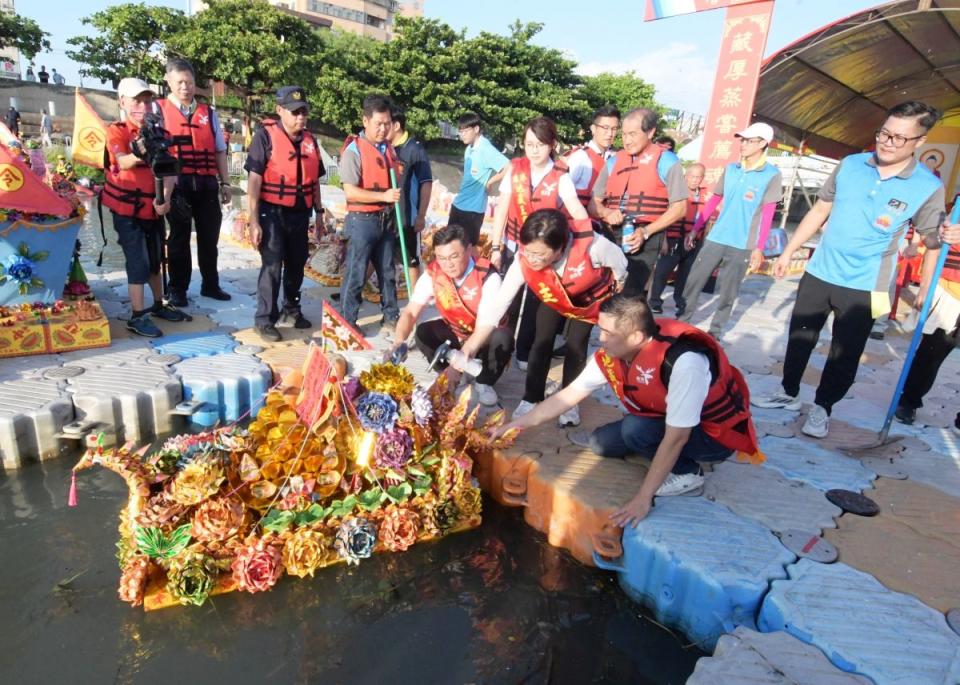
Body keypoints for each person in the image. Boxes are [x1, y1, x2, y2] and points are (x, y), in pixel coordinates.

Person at [753, 101, 947, 438]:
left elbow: (931, 240)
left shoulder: (927, 186)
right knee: (800, 336)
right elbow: (820, 210)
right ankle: (788, 392)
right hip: (820, 270)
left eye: (900, 138)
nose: (888, 142)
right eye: (885, 133)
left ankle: (823, 407)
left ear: (919, 142)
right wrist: (789, 250)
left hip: (867, 285)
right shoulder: (851, 164)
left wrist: (943, 241)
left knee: (845, 351)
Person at [491, 294, 759, 526]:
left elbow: (677, 436)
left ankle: (688, 472)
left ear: (636, 336)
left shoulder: (683, 362)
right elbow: (568, 396)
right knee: (600, 444)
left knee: (636, 430)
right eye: (600, 330)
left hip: (711, 435)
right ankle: (645, 442)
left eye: (608, 333)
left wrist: (643, 498)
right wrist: (513, 426)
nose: (601, 339)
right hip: (663, 418)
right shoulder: (614, 353)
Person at [463, 208, 627, 427]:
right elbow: (500, 303)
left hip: (587, 301)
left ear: (559, 250)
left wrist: (619, 282)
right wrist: (471, 346)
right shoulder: (525, 260)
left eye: (539, 255)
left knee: (576, 346)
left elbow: (620, 264)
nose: (531, 259)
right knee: (541, 341)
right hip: (554, 294)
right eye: (527, 251)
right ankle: (531, 397)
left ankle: (569, 404)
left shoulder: (594, 246)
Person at [489, 116, 590, 370]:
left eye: (540, 144)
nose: (534, 150)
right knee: (507, 302)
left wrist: (588, 243)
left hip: (540, 255)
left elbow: (577, 211)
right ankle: (500, 350)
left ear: (552, 145)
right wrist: (494, 246)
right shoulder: (515, 168)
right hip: (513, 245)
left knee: (535, 304)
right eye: (529, 144)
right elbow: (501, 209)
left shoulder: (561, 177)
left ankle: (523, 352)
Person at [387, 223, 513, 406]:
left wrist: (461, 360)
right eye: (442, 258)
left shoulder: (488, 276)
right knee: (423, 332)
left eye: (454, 256)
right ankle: (451, 374)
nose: (448, 264)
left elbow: (485, 326)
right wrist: (398, 342)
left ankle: (484, 381)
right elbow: (411, 311)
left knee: (503, 338)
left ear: (469, 250)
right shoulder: (434, 273)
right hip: (457, 332)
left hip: (484, 337)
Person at [102, 78, 190, 337]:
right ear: (123, 102)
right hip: (127, 209)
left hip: (153, 207)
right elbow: (122, 161)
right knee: (137, 260)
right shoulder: (117, 131)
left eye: (147, 100)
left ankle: (158, 304)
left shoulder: (160, 133)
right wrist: (141, 149)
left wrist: (164, 200)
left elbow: (171, 171)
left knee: (156, 258)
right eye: (136, 100)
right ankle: (137, 315)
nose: (142, 105)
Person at [678, 123, 783, 337]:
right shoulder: (731, 169)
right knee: (693, 281)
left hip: (742, 244)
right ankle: (682, 321)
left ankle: (715, 331)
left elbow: (767, 213)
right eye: (742, 140)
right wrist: (695, 229)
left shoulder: (771, 175)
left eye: (749, 140)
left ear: (763, 143)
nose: (743, 144)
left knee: (728, 291)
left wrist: (759, 248)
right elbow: (715, 199)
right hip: (716, 238)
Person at [245, 86, 324, 342]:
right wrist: (253, 220)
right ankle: (265, 319)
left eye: (304, 112)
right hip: (272, 211)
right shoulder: (265, 137)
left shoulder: (311, 141)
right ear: (280, 110)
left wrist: (320, 213)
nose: (300, 117)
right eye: (294, 112)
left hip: (300, 213)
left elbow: (314, 181)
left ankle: (292, 308)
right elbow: (254, 180)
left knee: (297, 265)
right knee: (272, 265)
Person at [156, 58, 232, 306]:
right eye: (179, 82)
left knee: (209, 238)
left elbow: (220, 150)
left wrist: (225, 183)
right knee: (178, 237)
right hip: (177, 185)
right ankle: (178, 288)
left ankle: (211, 284)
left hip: (207, 183)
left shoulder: (208, 114)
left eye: (189, 82)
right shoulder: (158, 111)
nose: (185, 87)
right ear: (169, 81)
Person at [590, 108, 688, 299]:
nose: (627, 140)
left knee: (628, 295)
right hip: (612, 233)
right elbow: (593, 204)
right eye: (624, 134)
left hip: (645, 237)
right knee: (601, 293)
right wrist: (606, 213)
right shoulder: (613, 161)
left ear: (650, 132)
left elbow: (680, 208)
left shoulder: (667, 161)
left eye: (633, 134)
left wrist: (646, 232)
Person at [338, 93, 401, 333]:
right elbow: (351, 192)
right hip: (362, 221)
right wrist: (382, 196)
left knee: (387, 270)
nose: (384, 129)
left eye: (387, 123)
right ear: (365, 121)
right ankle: (348, 320)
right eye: (378, 124)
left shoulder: (388, 150)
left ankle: (391, 314)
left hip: (385, 219)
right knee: (356, 271)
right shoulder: (354, 151)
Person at [895, 222, 960, 424]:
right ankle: (909, 400)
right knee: (931, 353)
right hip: (952, 290)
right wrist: (924, 288)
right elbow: (935, 242)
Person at [648, 163, 709, 316]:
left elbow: (706, 221)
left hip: (693, 241)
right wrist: (664, 240)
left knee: (686, 273)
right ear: (685, 177)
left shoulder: (705, 196)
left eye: (699, 177)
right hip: (673, 239)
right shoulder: (675, 194)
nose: (696, 180)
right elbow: (664, 217)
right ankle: (655, 301)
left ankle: (680, 301)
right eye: (693, 176)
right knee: (662, 272)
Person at [449, 112, 509, 246]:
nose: (462, 134)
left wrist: (490, 182)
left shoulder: (485, 149)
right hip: (459, 204)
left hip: (472, 210)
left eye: (465, 131)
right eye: (460, 131)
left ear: (476, 129)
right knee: (451, 244)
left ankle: (479, 266)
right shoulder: (469, 149)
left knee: (469, 247)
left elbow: (509, 167)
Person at [388, 106, 433, 286]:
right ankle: (356, 293)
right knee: (378, 255)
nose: (383, 129)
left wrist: (421, 216)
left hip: (407, 217)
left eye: (387, 124)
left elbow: (426, 183)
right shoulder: (386, 148)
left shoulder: (415, 149)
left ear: (396, 125)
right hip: (387, 214)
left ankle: (416, 301)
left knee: (410, 259)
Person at [562, 105, 620, 211]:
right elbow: (561, 191)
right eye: (605, 128)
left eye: (614, 129)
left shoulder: (615, 158)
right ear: (593, 129)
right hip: (580, 222)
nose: (610, 133)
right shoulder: (580, 157)